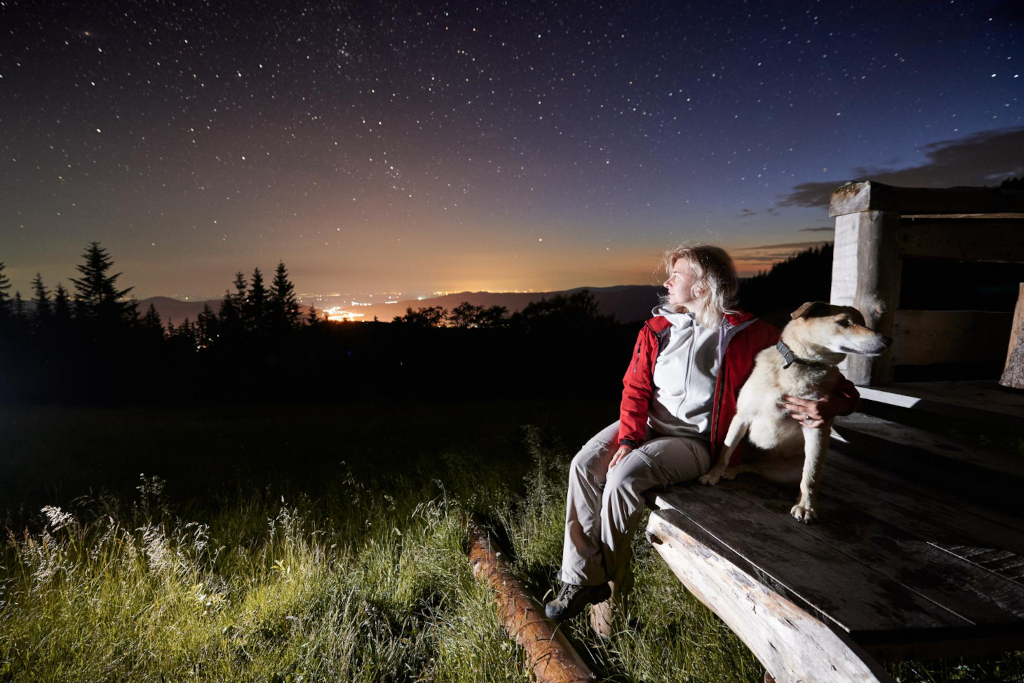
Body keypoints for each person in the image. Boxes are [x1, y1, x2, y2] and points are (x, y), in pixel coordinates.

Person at [544, 243, 860, 627]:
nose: (667, 281)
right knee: (583, 465)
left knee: (624, 478)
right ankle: (578, 579)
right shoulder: (658, 328)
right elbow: (635, 389)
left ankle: (598, 579)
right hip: (647, 425)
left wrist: (831, 403)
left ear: (704, 284)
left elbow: (839, 384)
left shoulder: (755, 334)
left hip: (698, 443)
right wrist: (628, 438)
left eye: (676, 274)